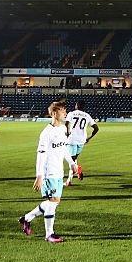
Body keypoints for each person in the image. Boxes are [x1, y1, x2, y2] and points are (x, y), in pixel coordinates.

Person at [19, 100, 78, 242]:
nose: (65, 113)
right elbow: (41, 154)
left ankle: (26, 218)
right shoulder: (46, 133)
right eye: (62, 111)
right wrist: (39, 176)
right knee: (53, 202)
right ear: (54, 113)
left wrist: (71, 163)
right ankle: (49, 234)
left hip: (59, 171)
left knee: (54, 202)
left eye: (65, 111)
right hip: (49, 172)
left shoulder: (63, 129)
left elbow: (63, 148)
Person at [65, 100, 98, 182]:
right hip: (82, 139)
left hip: (72, 139)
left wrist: (67, 132)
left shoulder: (71, 113)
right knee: (74, 158)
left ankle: (77, 170)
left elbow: (66, 124)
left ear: (77, 106)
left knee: (70, 159)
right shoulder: (87, 115)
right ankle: (69, 181)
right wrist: (89, 138)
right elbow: (96, 128)